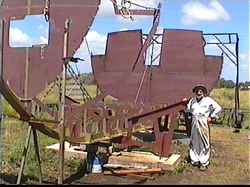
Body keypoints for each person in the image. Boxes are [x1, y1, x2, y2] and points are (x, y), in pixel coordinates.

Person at [185, 84, 222, 171]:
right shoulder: (192, 101)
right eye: (197, 91)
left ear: (204, 92)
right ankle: (194, 160)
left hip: (203, 121)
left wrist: (211, 117)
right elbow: (188, 110)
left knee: (204, 141)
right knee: (194, 141)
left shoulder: (208, 100)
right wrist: (185, 103)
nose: (199, 92)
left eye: (201, 91)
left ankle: (204, 162)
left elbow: (218, 108)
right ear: (195, 92)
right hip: (194, 121)